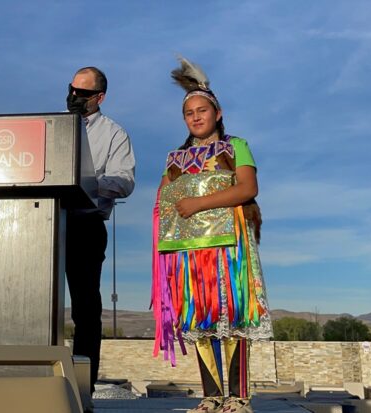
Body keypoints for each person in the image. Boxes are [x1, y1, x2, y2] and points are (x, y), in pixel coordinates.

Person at [152, 58, 271, 413]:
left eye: (202, 110)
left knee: (232, 314)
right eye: (189, 113)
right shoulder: (176, 159)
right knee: (199, 316)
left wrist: (198, 202)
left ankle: (238, 397)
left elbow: (247, 188)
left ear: (217, 113)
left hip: (230, 246)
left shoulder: (236, 147)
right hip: (190, 251)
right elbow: (165, 199)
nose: (196, 117)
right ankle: (211, 395)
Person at [65, 67, 136, 397]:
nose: (74, 97)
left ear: (99, 98)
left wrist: (88, 185)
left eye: (82, 93)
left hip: (85, 226)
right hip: (43, 223)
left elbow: (125, 180)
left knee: (85, 311)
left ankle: (82, 390)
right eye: (71, 90)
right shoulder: (53, 127)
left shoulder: (114, 133)